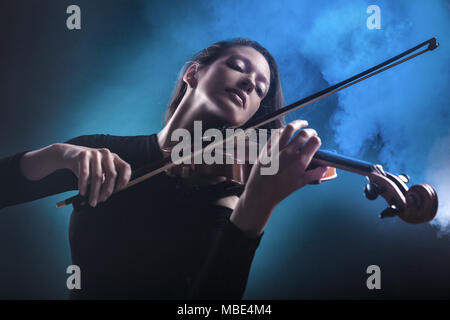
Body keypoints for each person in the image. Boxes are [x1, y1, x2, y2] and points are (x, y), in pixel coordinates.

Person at [0, 38, 329, 299]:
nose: (248, 84)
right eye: (237, 67)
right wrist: (56, 155)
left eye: (259, 89)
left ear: (253, 116)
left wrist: (254, 211)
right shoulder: (103, 151)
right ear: (193, 73)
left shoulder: (232, 201)